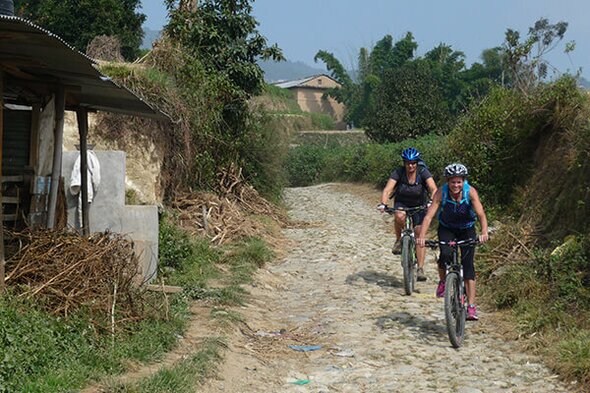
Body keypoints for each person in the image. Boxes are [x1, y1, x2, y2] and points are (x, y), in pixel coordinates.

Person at [416, 163, 489, 321]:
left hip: (467, 229)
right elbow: (428, 216)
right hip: (447, 228)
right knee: (445, 254)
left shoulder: (470, 192)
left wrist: (484, 232)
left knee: (468, 266)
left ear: (463, 181)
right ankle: (443, 282)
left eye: (459, 182)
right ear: (447, 182)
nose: (456, 185)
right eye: (452, 182)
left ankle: (470, 306)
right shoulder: (441, 193)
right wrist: (421, 236)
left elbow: (481, 214)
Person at [378, 147, 437, 282]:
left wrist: (432, 201)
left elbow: (433, 188)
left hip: (419, 205)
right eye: (408, 163)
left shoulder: (423, 172)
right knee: (399, 215)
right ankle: (400, 240)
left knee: (419, 233)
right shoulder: (398, 172)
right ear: (404, 163)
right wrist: (383, 203)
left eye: (413, 163)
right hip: (402, 203)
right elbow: (387, 189)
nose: (410, 166)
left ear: (417, 163)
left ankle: (420, 268)